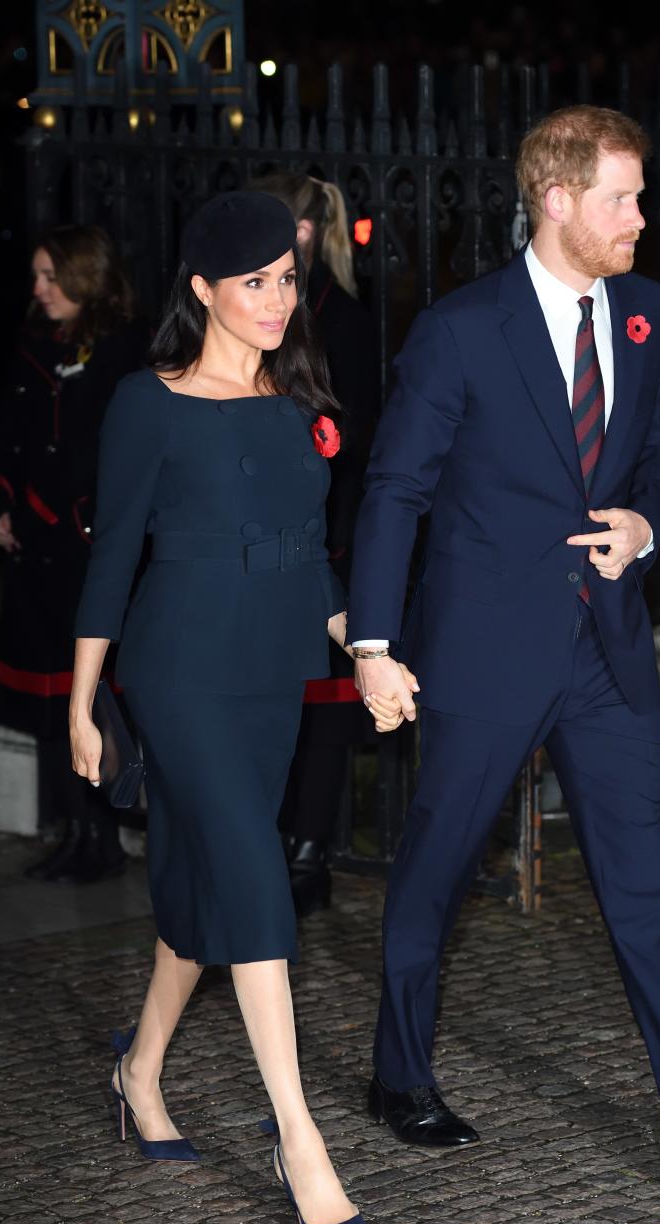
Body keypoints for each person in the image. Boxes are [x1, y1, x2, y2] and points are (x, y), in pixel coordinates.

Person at [347, 106, 660, 1197]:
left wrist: (646, 526)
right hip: (481, 652)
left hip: (606, 648)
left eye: (642, 195)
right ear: (557, 199)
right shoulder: (463, 329)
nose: (642, 218)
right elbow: (395, 492)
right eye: (622, 197)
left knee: (647, 883)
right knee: (436, 870)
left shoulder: (649, 315)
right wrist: (374, 643)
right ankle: (397, 1073)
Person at [68, 192, 402, 1224]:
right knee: (257, 878)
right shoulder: (148, 402)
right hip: (177, 673)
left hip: (271, 675)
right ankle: (299, 1138)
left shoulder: (299, 397)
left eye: (287, 279)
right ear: (203, 288)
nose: (274, 299)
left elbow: (314, 559)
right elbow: (113, 555)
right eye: (252, 281)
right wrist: (81, 700)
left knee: (207, 888)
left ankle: (140, 1070)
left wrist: (371, 656)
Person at [0, 225, 144, 882]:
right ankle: (75, 825)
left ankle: (102, 827)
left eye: (52, 276)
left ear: (85, 277)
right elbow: (5, 435)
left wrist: (81, 516)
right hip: (33, 554)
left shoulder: (122, 352)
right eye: (37, 277)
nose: (40, 290)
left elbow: (118, 451)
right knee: (49, 700)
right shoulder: (32, 348)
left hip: (84, 550)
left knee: (93, 695)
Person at [250, 171, 380, 916]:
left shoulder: (344, 318)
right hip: (274, 528)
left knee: (328, 700)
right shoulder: (270, 307)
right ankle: (276, 839)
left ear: (304, 233)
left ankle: (311, 849)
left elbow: (353, 433)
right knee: (279, 694)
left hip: (330, 528)